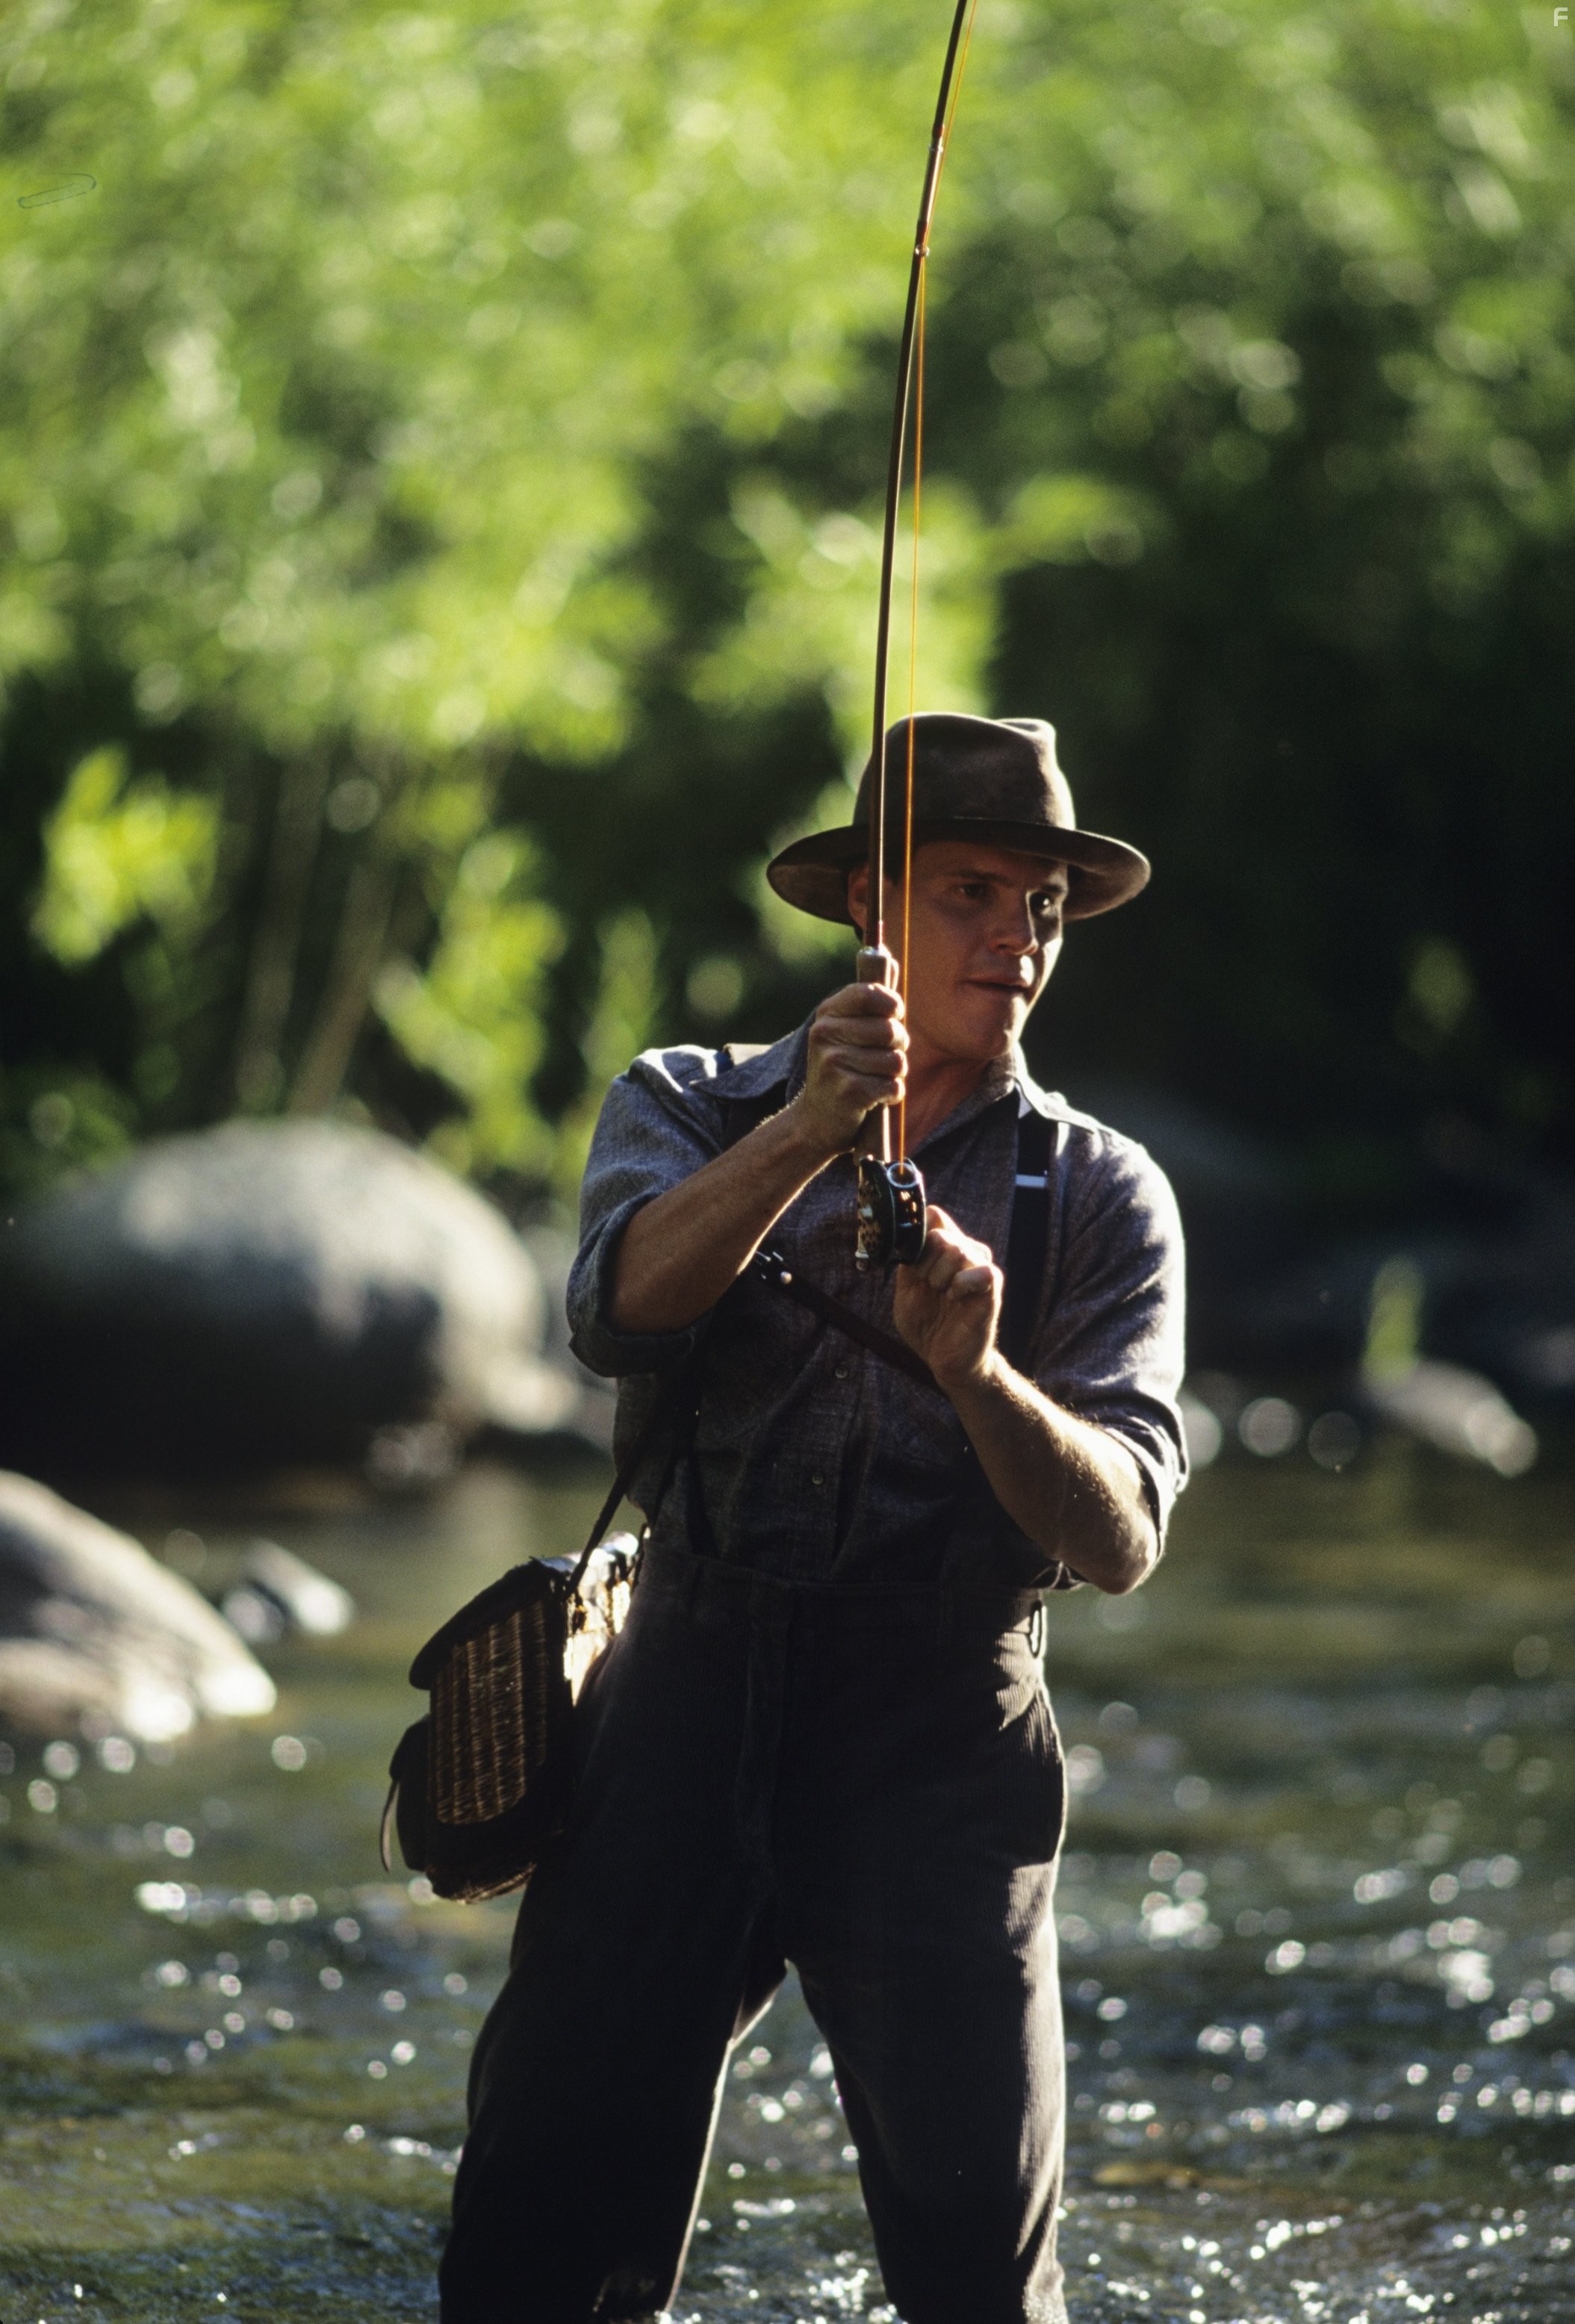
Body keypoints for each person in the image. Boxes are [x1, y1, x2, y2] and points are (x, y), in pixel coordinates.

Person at [440, 712, 1187, 2324]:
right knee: (539, 2231)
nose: (1015, 940)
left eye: (1040, 907)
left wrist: (979, 1375)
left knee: (979, 2268)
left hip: (943, 1739)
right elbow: (614, 1312)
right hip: (678, 1692)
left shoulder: (1104, 1190)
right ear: (869, 904)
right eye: (973, 892)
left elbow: (1123, 1532)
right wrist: (799, 1135)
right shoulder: (692, 1099)